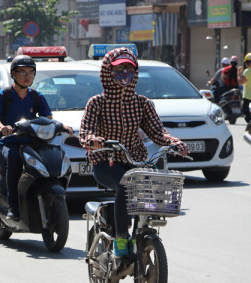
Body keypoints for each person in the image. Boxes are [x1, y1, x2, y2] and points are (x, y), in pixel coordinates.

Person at [79, 48, 188, 258]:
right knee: (126, 184)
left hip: (135, 160)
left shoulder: (142, 103)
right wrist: (92, 141)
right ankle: (121, 238)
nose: (125, 73)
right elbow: (86, 129)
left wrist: (175, 142)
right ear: (108, 72)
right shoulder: (97, 103)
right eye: (120, 68)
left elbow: (158, 132)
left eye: (130, 68)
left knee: (150, 186)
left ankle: (141, 232)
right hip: (105, 162)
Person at [0, 55, 72, 221]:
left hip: (33, 143)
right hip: (10, 143)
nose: (27, 76)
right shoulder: (3, 95)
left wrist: (61, 126)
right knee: (14, 160)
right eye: (22, 72)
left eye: (31, 72)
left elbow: (48, 118)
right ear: (13, 74)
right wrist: (1, 127)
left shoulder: (36, 96)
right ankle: (13, 206)